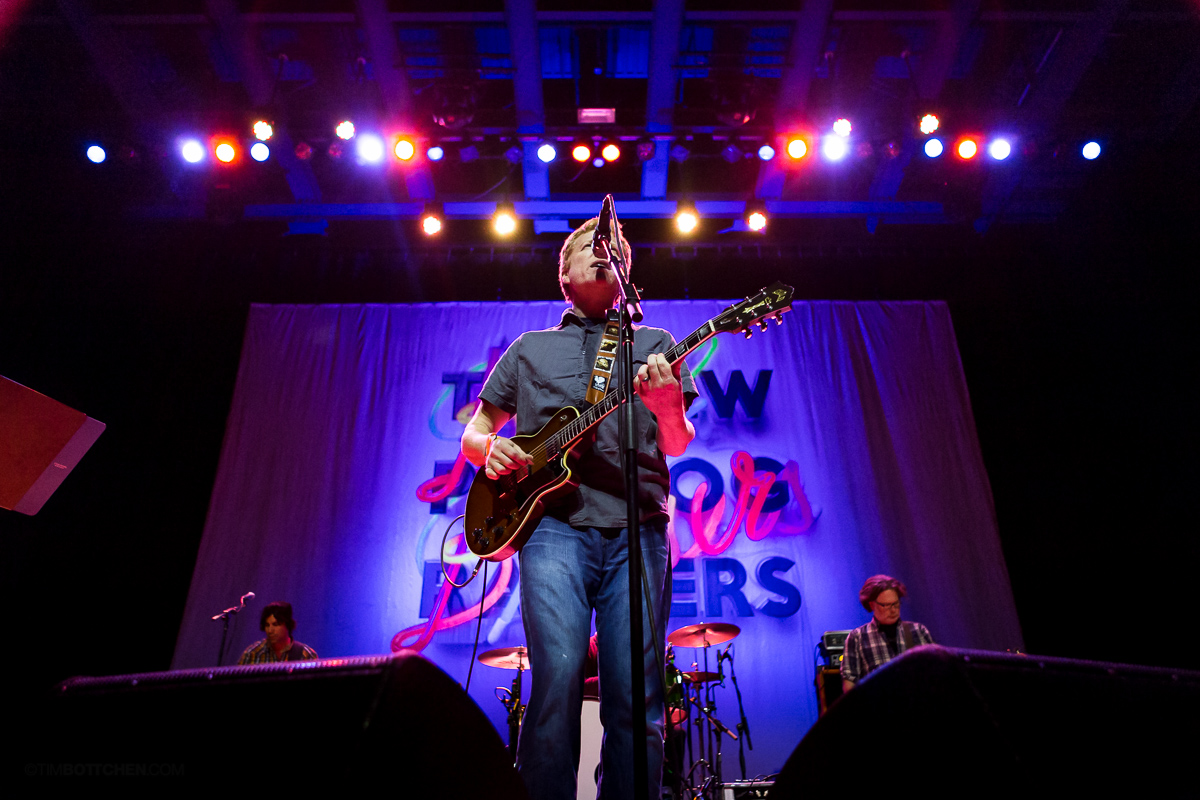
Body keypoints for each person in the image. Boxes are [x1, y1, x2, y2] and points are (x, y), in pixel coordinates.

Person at [462, 217, 697, 800]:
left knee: (636, 694)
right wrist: (490, 448)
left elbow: (677, 441)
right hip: (552, 530)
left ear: (625, 271)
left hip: (638, 529)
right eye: (590, 248)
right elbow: (474, 432)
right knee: (556, 683)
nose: (604, 252)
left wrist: (668, 406)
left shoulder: (656, 345)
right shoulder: (529, 349)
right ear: (564, 275)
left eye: (613, 248)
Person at [840, 574, 933, 692]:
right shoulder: (857, 637)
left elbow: (935, 672)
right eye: (886, 605)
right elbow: (849, 686)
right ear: (871, 604)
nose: (893, 610)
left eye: (896, 604)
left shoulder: (918, 631)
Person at [237, 601, 319, 665]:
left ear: (287, 625)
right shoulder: (252, 654)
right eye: (267, 625)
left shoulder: (306, 655)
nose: (270, 630)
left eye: (275, 624)